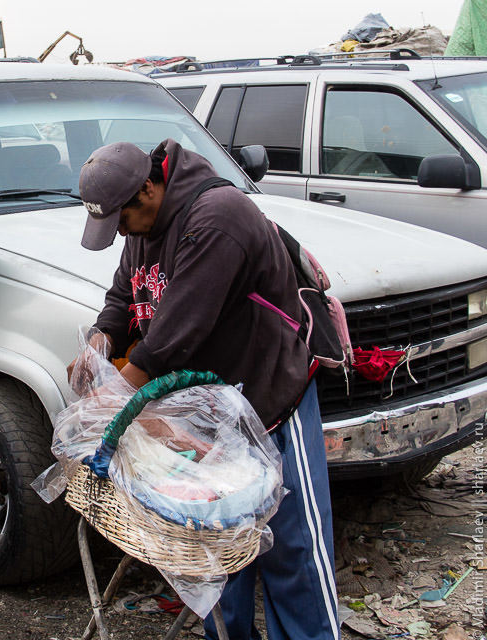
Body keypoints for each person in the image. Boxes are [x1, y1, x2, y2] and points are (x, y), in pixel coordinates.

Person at [74, 139, 339, 640]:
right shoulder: (142, 223)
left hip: (268, 397)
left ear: (148, 188)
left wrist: (111, 404)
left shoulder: (217, 218)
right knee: (214, 543)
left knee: (292, 546)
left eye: (121, 220)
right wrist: (100, 341)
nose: (122, 232)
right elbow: (125, 294)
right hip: (208, 409)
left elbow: (175, 335)